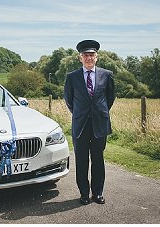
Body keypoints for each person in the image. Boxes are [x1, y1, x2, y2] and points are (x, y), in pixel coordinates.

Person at [64, 39, 115, 205]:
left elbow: (110, 97)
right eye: (85, 55)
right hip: (80, 125)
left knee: (98, 160)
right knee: (82, 160)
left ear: (96, 57)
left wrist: (99, 112)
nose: (89, 58)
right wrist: (81, 113)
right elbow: (69, 100)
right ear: (80, 58)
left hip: (100, 124)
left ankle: (98, 193)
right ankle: (84, 194)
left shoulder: (107, 75)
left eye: (92, 55)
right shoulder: (72, 77)